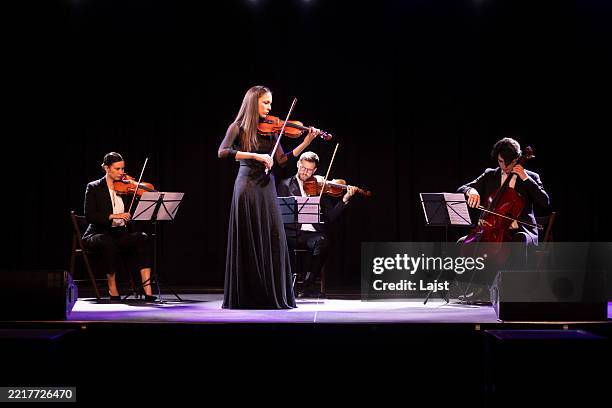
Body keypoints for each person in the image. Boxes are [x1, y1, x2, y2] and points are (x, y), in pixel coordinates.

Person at [218, 85, 320, 309]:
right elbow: (223, 151)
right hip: (246, 186)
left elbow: (282, 160)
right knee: (248, 237)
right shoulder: (238, 127)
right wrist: (255, 155)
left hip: (266, 187)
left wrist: (305, 143)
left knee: (273, 237)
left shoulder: (273, 130)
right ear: (254, 102)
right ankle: (247, 295)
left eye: (270, 103)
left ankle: (269, 293)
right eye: (266, 102)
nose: (270, 107)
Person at [276, 151, 357, 298]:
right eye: (302, 168)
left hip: (312, 234)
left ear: (314, 170)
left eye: (309, 170)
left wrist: (344, 199)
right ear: (298, 164)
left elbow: (331, 216)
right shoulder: (285, 184)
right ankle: (286, 286)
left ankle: (307, 285)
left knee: (323, 243)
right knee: (280, 242)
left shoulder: (320, 187)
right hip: (291, 233)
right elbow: (279, 214)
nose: (304, 172)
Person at [82, 152, 156, 301]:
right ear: (107, 168)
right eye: (117, 169)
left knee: (142, 238)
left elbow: (151, 193)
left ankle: (147, 288)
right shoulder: (94, 187)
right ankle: (112, 287)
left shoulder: (126, 188)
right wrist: (112, 216)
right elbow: (90, 216)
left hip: (119, 234)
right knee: (107, 242)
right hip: (97, 234)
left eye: (123, 169)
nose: (122, 173)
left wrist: (136, 188)